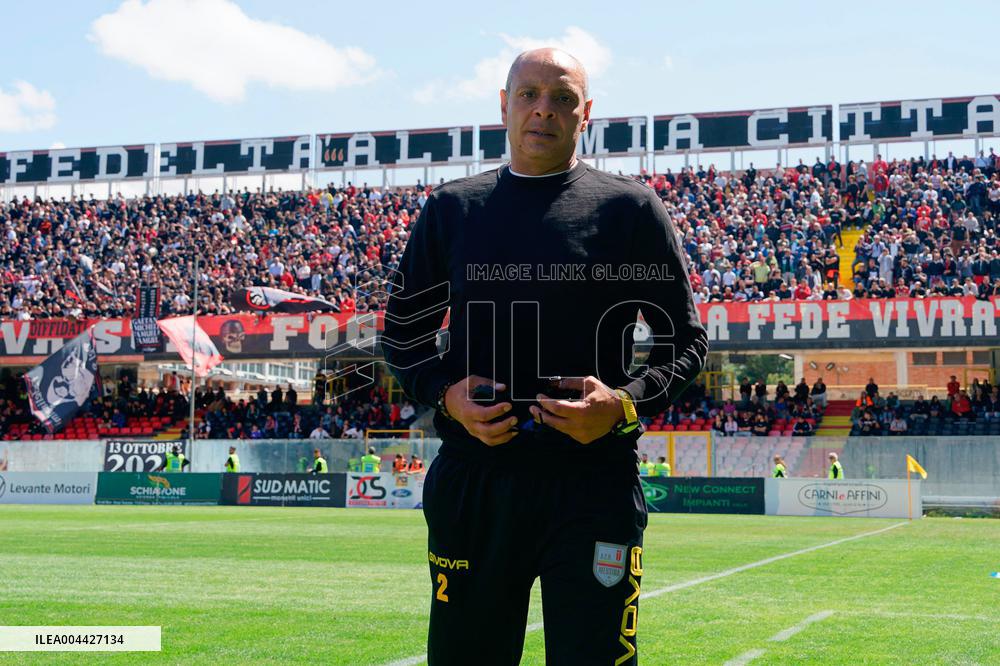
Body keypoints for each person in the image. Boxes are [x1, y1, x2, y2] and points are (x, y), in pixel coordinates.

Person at [381, 48, 707, 666]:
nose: (543, 110)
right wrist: (443, 395)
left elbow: (685, 341)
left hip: (592, 483)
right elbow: (402, 334)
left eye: (562, 98)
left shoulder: (630, 211)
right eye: (529, 94)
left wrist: (621, 405)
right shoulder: (453, 209)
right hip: (476, 481)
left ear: (586, 114)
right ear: (503, 106)